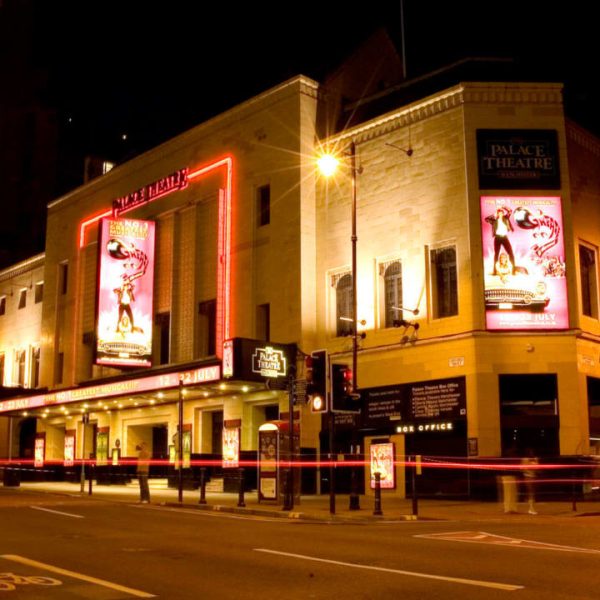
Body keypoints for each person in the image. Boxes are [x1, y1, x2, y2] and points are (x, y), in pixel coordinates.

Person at [485, 207, 516, 275]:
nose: (501, 214)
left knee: (511, 253)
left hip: (504, 237)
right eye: (499, 213)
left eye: (502, 212)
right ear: (498, 214)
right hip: (497, 238)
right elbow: (486, 219)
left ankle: (513, 271)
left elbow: (510, 211)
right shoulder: (494, 220)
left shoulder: (506, 218)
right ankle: (495, 271)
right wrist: (494, 214)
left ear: (503, 213)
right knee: (496, 255)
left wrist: (503, 207)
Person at [521, 450, 538, 515]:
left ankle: (531, 507)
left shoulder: (535, 459)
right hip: (528, 476)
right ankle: (531, 508)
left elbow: (537, 468)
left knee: (533, 492)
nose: (531, 454)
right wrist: (528, 469)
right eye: (530, 453)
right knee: (530, 492)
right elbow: (522, 468)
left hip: (534, 476)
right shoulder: (525, 459)